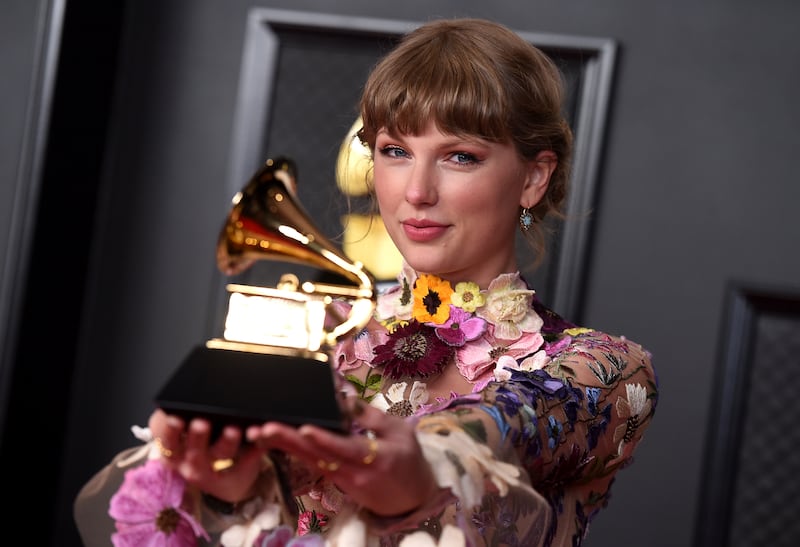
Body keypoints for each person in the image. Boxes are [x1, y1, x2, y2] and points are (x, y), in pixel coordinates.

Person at [74, 17, 658, 547]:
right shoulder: (312, 338)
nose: (416, 192)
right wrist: (222, 488)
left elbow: (515, 424)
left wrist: (423, 462)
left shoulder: (604, 368)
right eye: (395, 150)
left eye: (460, 157)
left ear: (534, 177)